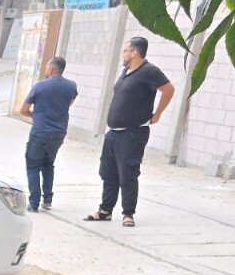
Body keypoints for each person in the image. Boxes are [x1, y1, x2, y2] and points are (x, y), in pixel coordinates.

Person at [86, 36, 175, 227]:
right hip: (113, 133)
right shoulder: (126, 71)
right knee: (108, 173)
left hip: (132, 134)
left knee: (127, 174)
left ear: (134, 52)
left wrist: (157, 114)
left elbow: (168, 89)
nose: (123, 54)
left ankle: (128, 214)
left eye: (125, 50)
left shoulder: (148, 71)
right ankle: (105, 210)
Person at [19, 57, 77, 212]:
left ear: (51, 69)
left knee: (33, 166)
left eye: (46, 68)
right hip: (59, 133)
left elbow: (23, 110)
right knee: (48, 165)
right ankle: (48, 199)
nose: (45, 70)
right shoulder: (71, 86)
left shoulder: (39, 86)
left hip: (40, 131)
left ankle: (34, 203)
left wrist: (36, 115)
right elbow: (68, 104)